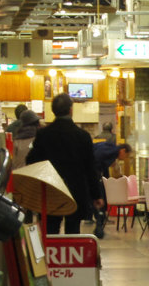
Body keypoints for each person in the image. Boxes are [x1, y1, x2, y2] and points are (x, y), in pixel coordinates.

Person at [26, 93, 103, 235]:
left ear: (53, 111)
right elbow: (90, 168)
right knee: (73, 231)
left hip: (50, 190)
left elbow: (31, 161)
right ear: (70, 109)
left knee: (50, 231)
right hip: (76, 192)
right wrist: (96, 195)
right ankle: (71, 257)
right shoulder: (82, 136)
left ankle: (51, 256)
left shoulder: (43, 135)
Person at [92, 122, 132, 238]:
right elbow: (97, 159)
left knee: (98, 198)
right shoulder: (112, 151)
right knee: (97, 198)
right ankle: (99, 223)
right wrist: (97, 175)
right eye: (126, 155)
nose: (125, 158)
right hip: (93, 175)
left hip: (95, 175)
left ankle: (99, 223)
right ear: (123, 151)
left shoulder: (111, 149)